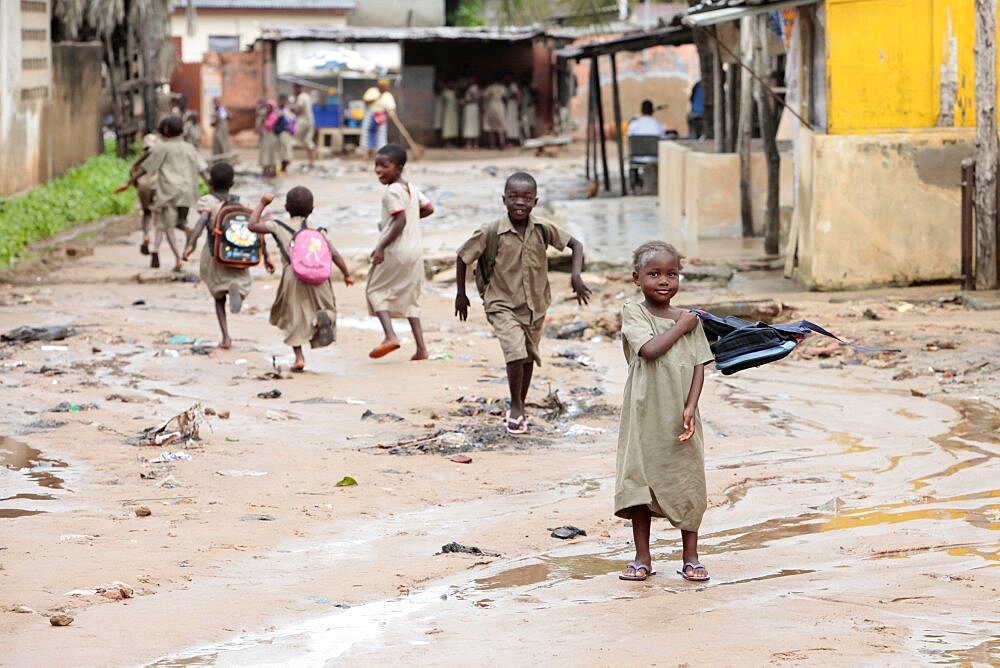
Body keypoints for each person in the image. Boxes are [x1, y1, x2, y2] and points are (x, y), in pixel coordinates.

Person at [455, 171, 591, 434]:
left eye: (526, 198)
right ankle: (515, 405)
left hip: (536, 304)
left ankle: (522, 403)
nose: (520, 203)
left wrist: (575, 276)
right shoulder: (490, 231)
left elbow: (576, 244)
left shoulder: (542, 229)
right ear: (503, 199)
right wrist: (461, 294)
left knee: (528, 355)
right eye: (513, 197)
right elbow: (463, 257)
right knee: (515, 352)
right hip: (500, 302)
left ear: (535, 201)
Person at [615, 241, 715, 583]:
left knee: (688, 480)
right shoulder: (635, 313)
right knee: (640, 480)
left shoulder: (689, 320)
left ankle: (691, 556)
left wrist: (691, 406)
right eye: (654, 273)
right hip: (643, 413)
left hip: (680, 415)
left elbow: (701, 363)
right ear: (636, 278)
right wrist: (682, 326)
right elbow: (649, 349)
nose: (664, 281)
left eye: (672, 274)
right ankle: (643, 557)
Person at [248, 187, 354, 372]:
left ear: (286, 207)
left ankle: (299, 357)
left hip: (293, 277)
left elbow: (252, 225)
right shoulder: (318, 229)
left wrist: (263, 203)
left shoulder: (278, 225)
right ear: (312, 209)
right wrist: (346, 273)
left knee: (293, 317)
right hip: (320, 276)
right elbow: (334, 253)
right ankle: (324, 319)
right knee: (326, 307)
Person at [182, 162, 274, 349]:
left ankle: (226, 337)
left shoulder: (208, 202)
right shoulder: (245, 203)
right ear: (232, 183)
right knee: (240, 282)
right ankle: (238, 292)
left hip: (215, 254)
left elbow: (202, 221)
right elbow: (257, 229)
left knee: (218, 297)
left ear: (210, 182)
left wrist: (190, 244)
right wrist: (266, 256)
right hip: (240, 253)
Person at [366, 144, 434, 361]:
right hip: (415, 251)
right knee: (411, 298)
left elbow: (400, 220)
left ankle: (390, 336)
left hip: (396, 250)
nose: (378, 170)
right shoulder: (411, 188)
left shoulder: (392, 191)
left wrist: (380, 247)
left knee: (375, 290)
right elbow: (428, 208)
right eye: (376, 165)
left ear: (398, 168)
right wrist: (413, 217)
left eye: (384, 166)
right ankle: (421, 349)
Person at [131, 115, 205, 271]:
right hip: (187, 192)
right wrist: (213, 186)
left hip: (168, 191)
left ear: (165, 130)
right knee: (180, 222)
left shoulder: (162, 147)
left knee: (166, 226)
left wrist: (129, 182)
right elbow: (203, 169)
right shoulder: (189, 148)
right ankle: (188, 231)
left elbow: (145, 167)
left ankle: (178, 259)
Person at [114, 129, 162, 256]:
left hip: (143, 186)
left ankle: (146, 235)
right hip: (157, 186)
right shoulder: (159, 157)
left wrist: (130, 184)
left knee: (146, 213)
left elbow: (134, 174)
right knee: (159, 218)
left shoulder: (139, 161)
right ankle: (156, 248)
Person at [292, 83, 316, 169]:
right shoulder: (307, 96)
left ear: (297, 89)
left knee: (291, 138)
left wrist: (291, 111)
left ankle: (285, 162)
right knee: (308, 141)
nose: (293, 91)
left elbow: (299, 109)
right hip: (310, 121)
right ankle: (311, 163)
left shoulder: (301, 97)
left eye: (294, 89)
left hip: (303, 122)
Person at [360, 86, 388, 157]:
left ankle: (381, 153)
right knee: (366, 133)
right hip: (371, 114)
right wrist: (377, 98)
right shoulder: (372, 91)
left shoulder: (387, 95)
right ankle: (366, 153)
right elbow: (366, 101)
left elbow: (391, 107)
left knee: (381, 135)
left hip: (381, 115)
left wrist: (392, 112)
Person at [482, 79, 507, 149]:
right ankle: (502, 143)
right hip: (500, 106)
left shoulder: (490, 87)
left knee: (491, 125)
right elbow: (505, 97)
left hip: (492, 105)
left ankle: (492, 144)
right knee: (500, 125)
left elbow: (484, 96)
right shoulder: (502, 88)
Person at [257, 98, 278, 178]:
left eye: (269, 106)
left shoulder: (273, 116)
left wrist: (264, 120)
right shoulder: (265, 115)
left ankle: (271, 172)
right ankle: (265, 171)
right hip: (265, 137)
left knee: (270, 155)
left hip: (271, 137)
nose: (267, 108)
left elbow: (268, 125)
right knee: (265, 154)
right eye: (267, 106)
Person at [276, 94, 296, 174]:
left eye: (283, 100)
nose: (282, 102)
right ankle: (283, 168)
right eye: (280, 100)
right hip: (280, 133)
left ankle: (284, 168)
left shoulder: (286, 111)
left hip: (285, 133)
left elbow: (291, 121)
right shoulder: (278, 110)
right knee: (282, 151)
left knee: (285, 151)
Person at [461, 78, 481, 149]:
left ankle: (472, 143)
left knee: (471, 125)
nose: (469, 81)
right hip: (470, 108)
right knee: (470, 125)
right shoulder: (472, 88)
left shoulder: (474, 88)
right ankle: (472, 143)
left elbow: (475, 99)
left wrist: (465, 102)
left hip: (472, 108)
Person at [440, 80, 460, 147]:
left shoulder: (454, 92)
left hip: (453, 112)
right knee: (447, 127)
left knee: (452, 127)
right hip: (447, 113)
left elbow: (457, 96)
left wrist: (455, 88)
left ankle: (450, 143)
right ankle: (447, 143)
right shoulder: (445, 92)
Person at [503, 74, 521, 146]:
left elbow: (516, 94)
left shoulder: (513, 85)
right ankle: (510, 140)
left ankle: (512, 141)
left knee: (512, 122)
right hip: (509, 105)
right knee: (509, 122)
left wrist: (518, 104)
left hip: (512, 105)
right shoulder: (508, 86)